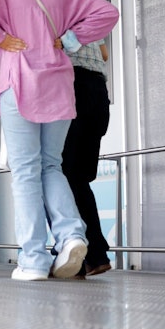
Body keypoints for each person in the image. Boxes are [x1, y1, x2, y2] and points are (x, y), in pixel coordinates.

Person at [0, 0, 119, 281]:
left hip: (21, 85)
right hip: (60, 87)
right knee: (52, 166)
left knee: (25, 172)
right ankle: (73, 235)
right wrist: (68, 41)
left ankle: (33, 258)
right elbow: (109, 13)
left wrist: (0, 37)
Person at [61, 39, 113, 276]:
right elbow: (104, 54)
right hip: (98, 92)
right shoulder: (87, 9)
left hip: (71, 86)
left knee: (61, 176)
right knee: (78, 178)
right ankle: (93, 255)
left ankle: (78, 255)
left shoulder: (55, 8)